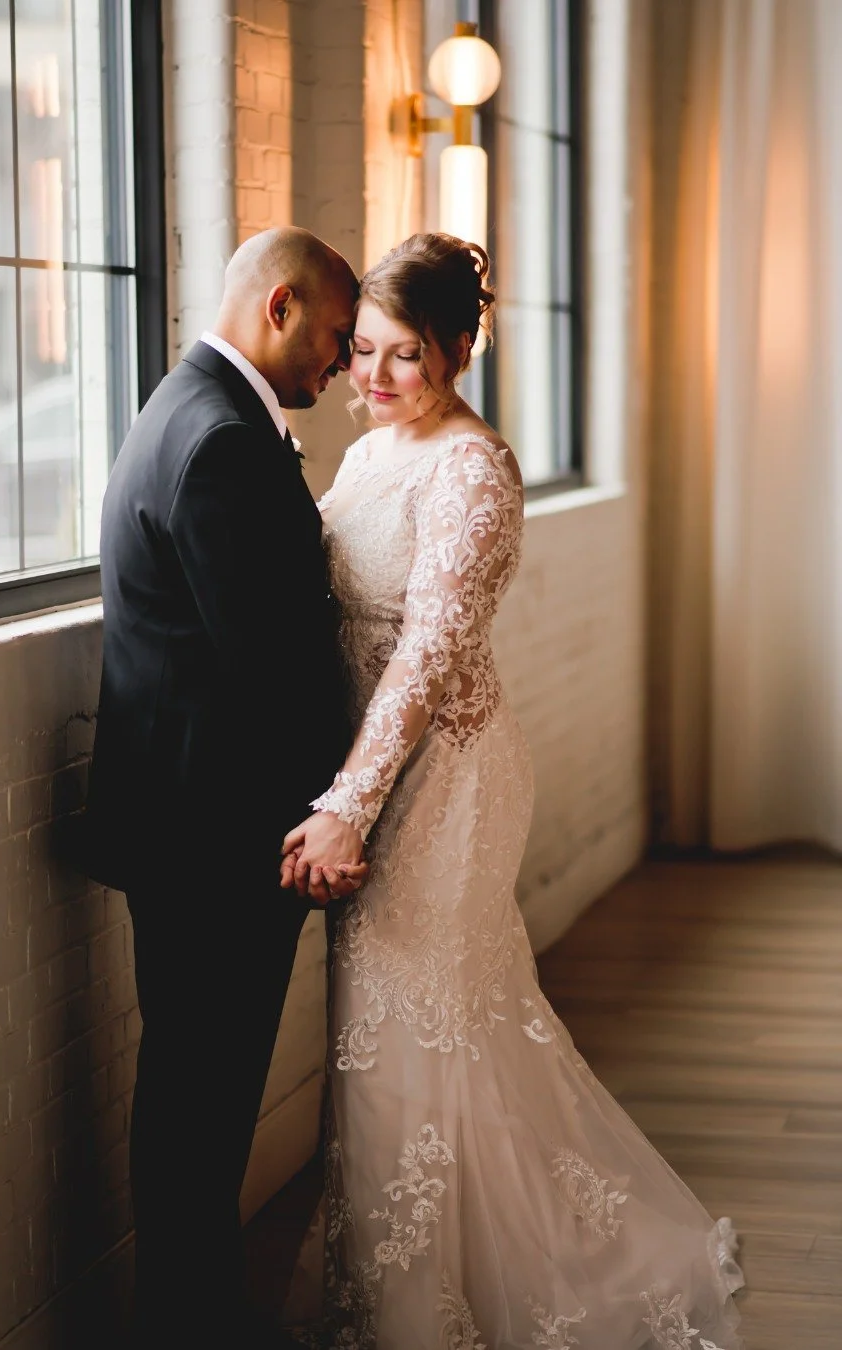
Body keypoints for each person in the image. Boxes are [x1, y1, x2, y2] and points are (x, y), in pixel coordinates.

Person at [279, 232, 745, 1349]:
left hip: (449, 783)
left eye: (403, 357)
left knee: (415, 1032)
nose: (374, 379)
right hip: (374, 771)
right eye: (364, 353)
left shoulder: (475, 471)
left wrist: (349, 799)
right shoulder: (367, 454)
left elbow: (428, 654)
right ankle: (395, 1289)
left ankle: (454, 1303)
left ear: (455, 351)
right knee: (386, 1035)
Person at [82, 226, 369, 1348]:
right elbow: (274, 671)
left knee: (194, 1097)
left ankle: (191, 1312)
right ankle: (189, 1322)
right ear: (283, 306)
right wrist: (335, 809)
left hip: (186, 821)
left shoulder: (193, 409)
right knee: (204, 1102)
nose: (342, 366)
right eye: (340, 340)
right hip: (214, 836)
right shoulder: (221, 443)